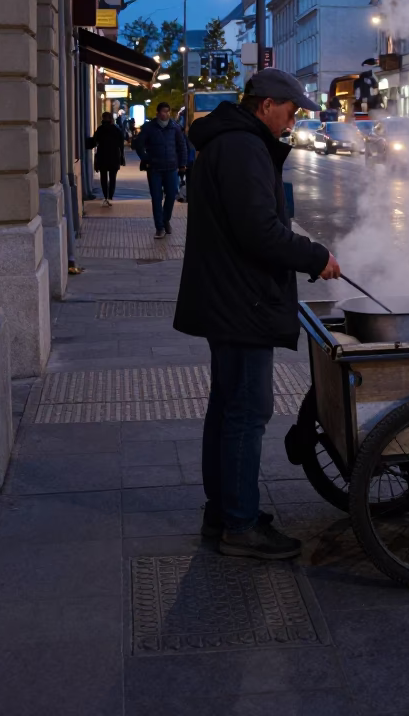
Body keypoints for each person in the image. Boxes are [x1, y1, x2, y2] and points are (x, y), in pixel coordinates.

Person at [174, 70, 341, 563]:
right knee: (248, 411)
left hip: (227, 295)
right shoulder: (243, 148)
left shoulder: (228, 142)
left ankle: (224, 510)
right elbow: (259, 231)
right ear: (266, 104)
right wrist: (315, 256)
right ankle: (241, 526)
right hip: (241, 299)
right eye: (291, 111)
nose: (293, 121)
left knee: (227, 408)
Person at [132, 102, 188, 238]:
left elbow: (182, 147)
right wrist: (146, 158)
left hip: (171, 168)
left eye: (168, 112)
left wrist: (182, 165)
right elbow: (138, 145)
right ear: (158, 113)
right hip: (155, 168)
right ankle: (159, 227)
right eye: (163, 111)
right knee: (156, 198)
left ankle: (165, 219)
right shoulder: (149, 128)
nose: (166, 114)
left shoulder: (174, 128)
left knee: (171, 195)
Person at [86, 112, 126, 205]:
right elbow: (121, 144)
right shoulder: (116, 129)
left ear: (103, 119)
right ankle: (110, 196)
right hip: (114, 156)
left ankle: (105, 196)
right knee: (113, 178)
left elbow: (94, 142)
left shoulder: (100, 129)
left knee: (103, 178)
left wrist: (87, 142)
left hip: (102, 156)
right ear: (112, 119)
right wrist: (122, 156)